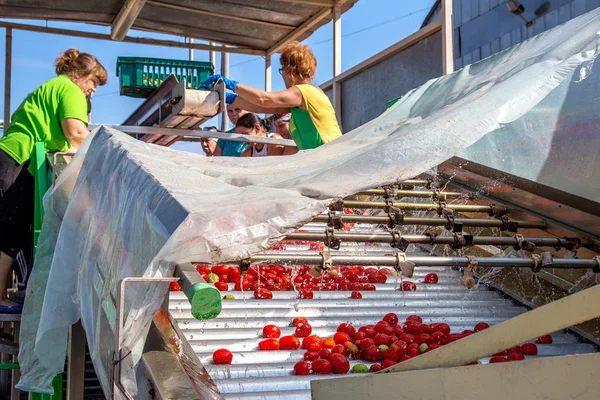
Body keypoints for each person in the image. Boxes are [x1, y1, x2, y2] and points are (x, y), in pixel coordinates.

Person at [0, 48, 107, 312]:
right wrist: (106, 153)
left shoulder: (54, 87)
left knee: (12, 232)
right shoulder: (70, 90)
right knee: (8, 232)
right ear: (80, 74)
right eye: (93, 82)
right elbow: (75, 133)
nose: (93, 90)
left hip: (13, 156)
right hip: (18, 157)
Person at [200, 41, 342, 151]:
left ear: (290, 70)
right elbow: (260, 106)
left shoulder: (303, 92)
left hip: (330, 156)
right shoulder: (308, 95)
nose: (282, 75)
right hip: (325, 157)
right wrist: (230, 98)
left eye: (282, 70)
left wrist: (231, 84)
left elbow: (264, 99)